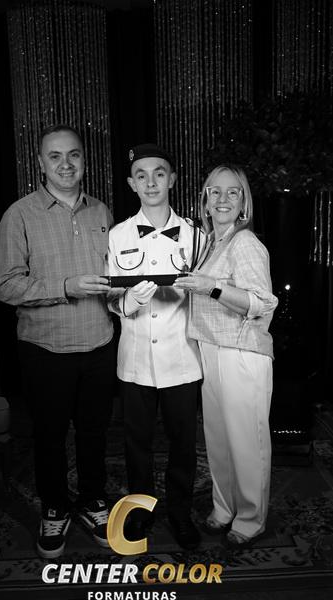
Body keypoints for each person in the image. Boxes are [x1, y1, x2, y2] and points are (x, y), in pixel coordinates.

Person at [0, 124, 115, 559]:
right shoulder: (20, 215)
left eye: (74, 155)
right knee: (49, 436)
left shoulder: (102, 211)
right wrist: (66, 286)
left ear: (85, 160)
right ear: (41, 163)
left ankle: (93, 500)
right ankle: (55, 507)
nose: (66, 164)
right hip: (45, 349)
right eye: (55, 156)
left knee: (95, 433)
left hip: (100, 343)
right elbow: (6, 286)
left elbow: (114, 274)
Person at [174, 164, 278, 548]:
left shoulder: (245, 243)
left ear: (243, 202)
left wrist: (211, 288)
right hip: (211, 349)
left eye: (232, 192)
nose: (222, 199)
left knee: (247, 442)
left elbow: (262, 302)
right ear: (205, 200)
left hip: (242, 353)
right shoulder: (209, 244)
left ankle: (250, 518)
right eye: (214, 192)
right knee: (218, 440)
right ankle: (223, 507)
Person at [107, 143, 204, 550]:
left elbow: (206, 296)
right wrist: (130, 301)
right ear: (132, 184)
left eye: (159, 173)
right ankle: (140, 513)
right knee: (137, 444)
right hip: (135, 360)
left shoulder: (197, 236)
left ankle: (180, 513)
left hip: (182, 357)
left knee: (183, 444)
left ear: (172, 180)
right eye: (142, 175)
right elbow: (111, 297)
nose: (151, 182)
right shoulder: (118, 234)